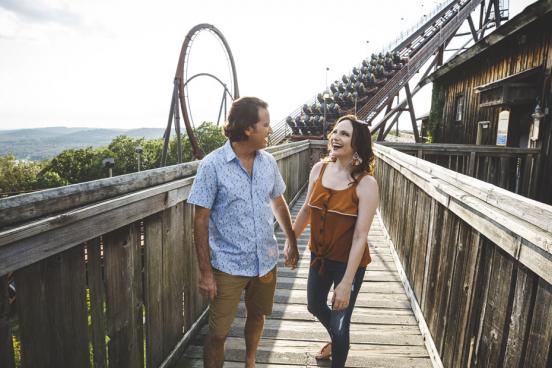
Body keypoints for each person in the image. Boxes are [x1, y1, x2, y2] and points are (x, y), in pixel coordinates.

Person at [187, 96, 299, 368]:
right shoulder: (212, 165)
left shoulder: (268, 162)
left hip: (265, 259)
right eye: (266, 124)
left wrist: (292, 241)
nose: (271, 130)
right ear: (249, 128)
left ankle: (250, 363)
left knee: (257, 315)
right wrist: (205, 273)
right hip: (228, 264)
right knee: (217, 334)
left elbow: (278, 200)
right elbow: (200, 220)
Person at [289, 114, 379, 367]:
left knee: (340, 324)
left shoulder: (366, 184)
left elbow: (361, 236)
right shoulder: (319, 169)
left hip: (348, 263)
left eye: (344, 134)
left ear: (357, 145)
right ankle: (338, 341)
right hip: (319, 256)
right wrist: (292, 243)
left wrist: (346, 282)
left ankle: (338, 346)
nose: (335, 137)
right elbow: (306, 209)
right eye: (335, 132)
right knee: (314, 305)